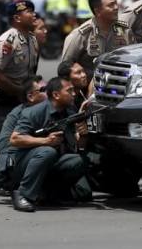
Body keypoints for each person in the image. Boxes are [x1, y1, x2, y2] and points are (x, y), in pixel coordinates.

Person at [7, 77, 91, 212]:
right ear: (56, 95)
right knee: (47, 151)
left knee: (80, 160)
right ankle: (22, 194)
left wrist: (83, 134)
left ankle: (49, 194)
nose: (74, 94)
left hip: (49, 162)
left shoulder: (68, 111)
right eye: (69, 91)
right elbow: (15, 139)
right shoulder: (35, 112)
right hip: (23, 163)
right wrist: (45, 141)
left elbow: (77, 145)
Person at [0, 76, 46, 206]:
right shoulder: (17, 114)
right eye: (43, 89)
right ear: (30, 96)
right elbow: (5, 145)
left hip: (31, 147)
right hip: (8, 149)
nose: (47, 92)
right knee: (9, 162)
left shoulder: (47, 109)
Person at [0, 0, 39, 133]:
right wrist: (18, 90)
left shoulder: (31, 39)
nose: (34, 15)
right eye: (29, 12)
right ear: (17, 18)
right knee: (10, 138)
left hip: (17, 96)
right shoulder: (7, 41)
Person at [62, 0, 132, 80]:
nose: (116, 7)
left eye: (115, 3)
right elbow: (64, 69)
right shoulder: (81, 34)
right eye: (111, 5)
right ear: (98, 11)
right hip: (89, 86)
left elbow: (133, 58)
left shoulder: (124, 30)